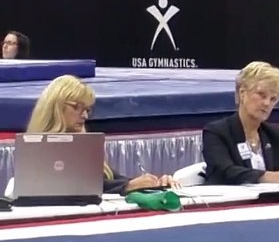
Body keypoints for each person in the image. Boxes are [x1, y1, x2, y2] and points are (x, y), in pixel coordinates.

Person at [26, 75, 174, 194]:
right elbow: (75, 188)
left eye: (87, 110)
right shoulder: (40, 151)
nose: (85, 116)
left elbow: (113, 181)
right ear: (56, 107)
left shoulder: (86, 146)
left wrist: (155, 183)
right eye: (77, 107)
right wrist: (127, 186)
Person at [201, 61, 279, 185]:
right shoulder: (216, 132)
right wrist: (269, 177)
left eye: (273, 99)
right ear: (242, 93)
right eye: (261, 95)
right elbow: (223, 172)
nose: (267, 103)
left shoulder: (273, 134)